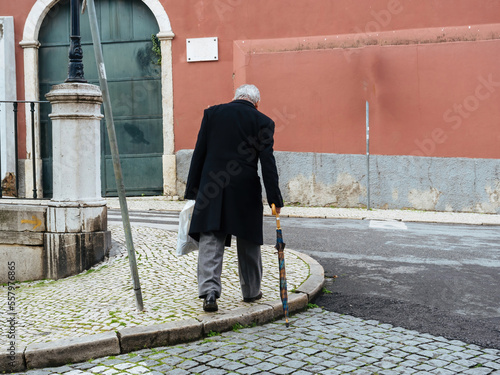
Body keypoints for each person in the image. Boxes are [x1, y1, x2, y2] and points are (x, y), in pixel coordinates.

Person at [184, 84, 284, 312]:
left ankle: (209, 293)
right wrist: (274, 198)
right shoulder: (263, 121)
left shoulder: (212, 114)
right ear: (256, 103)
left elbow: (199, 153)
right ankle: (251, 291)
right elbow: (268, 163)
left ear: (236, 97)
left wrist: (193, 191)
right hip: (244, 187)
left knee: (211, 236)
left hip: (213, 186)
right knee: (249, 239)